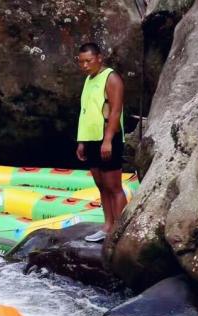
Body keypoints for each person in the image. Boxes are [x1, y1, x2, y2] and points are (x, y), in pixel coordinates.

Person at [75, 42, 127, 243]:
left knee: (113, 185)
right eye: (81, 62)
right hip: (91, 139)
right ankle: (107, 225)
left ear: (99, 58)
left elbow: (115, 111)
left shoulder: (111, 78)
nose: (85, 66)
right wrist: (82, 142)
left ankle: (119, 229)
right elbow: (86, 112)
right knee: (100, 185)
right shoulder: (89, 79)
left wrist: (108, 140)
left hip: (108, 138)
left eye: (88, 61)